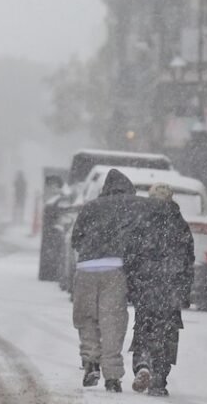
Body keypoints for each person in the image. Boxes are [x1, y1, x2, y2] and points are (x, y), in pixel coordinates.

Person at [69, 168, 146, 392]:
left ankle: (91, 362)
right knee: (112, 322)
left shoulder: (90, 207)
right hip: (114, 269)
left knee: (87, 318)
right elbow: (137, 241)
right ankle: (112, 376)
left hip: (85, 269)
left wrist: (89, 251)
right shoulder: (130, 208)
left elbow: (76, 239)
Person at [125, 182, 195, 397]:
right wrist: (184, 291)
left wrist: (131, 284)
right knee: (167, 334)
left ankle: (143, 363)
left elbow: (131, 253)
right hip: (171, 287)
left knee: (144, 327)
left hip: (146, 286)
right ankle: (158, 380)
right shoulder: (179, 223)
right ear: (171, 198)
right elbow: (188, 260)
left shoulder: (140, 220)